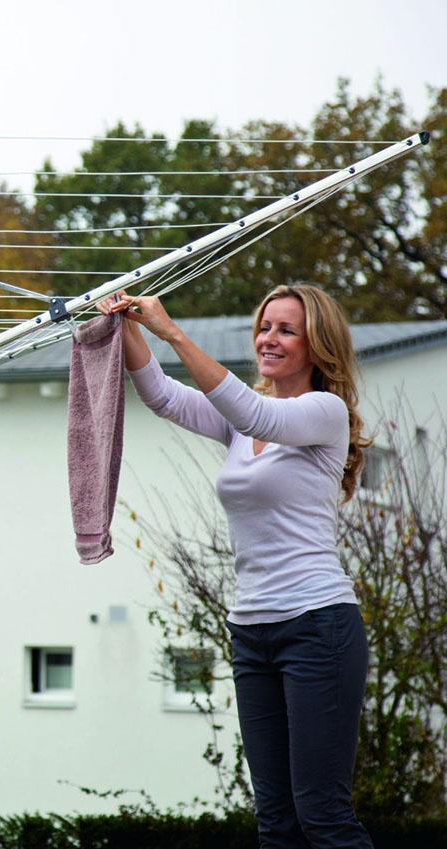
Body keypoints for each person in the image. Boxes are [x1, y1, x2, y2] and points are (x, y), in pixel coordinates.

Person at [98, 285, 373, 849]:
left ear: (317, 346)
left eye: (286, 330)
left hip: (318, 628)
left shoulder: (322, 413)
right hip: (251, 632)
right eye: (265, 326)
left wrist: (170, 330)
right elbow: (164, 397)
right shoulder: (243, 418)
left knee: (322, 816)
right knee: (276, 823)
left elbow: (255, 411)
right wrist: (127, 322)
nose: (268, 339)